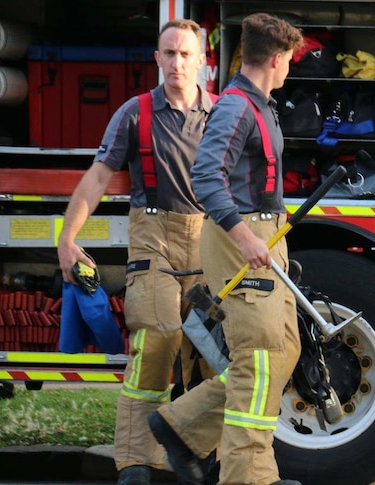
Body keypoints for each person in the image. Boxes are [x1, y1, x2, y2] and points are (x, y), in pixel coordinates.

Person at [145, 13, 305, 485]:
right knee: (258, 359)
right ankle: (249, 477)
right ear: (275, 59)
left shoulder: (259, 103)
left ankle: (181, 426)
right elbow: (206, 176)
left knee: (282, 350)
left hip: (263, 238)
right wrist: (244, 235)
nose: (289, 70)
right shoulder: (237, 106)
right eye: (290, 62)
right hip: (245, 242)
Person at [57, 19, 217, 485]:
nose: (176, 62)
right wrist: (67, 240)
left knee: (213, 353)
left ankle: (202, 452)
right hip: (155, 240)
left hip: (210, 242)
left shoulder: (223, 114)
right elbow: (98, 177)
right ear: (157, 59)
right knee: (157, 338)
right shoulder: (135, 113)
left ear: (202, 61)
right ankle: (135, 463)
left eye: (186, 54)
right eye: (168, 53)